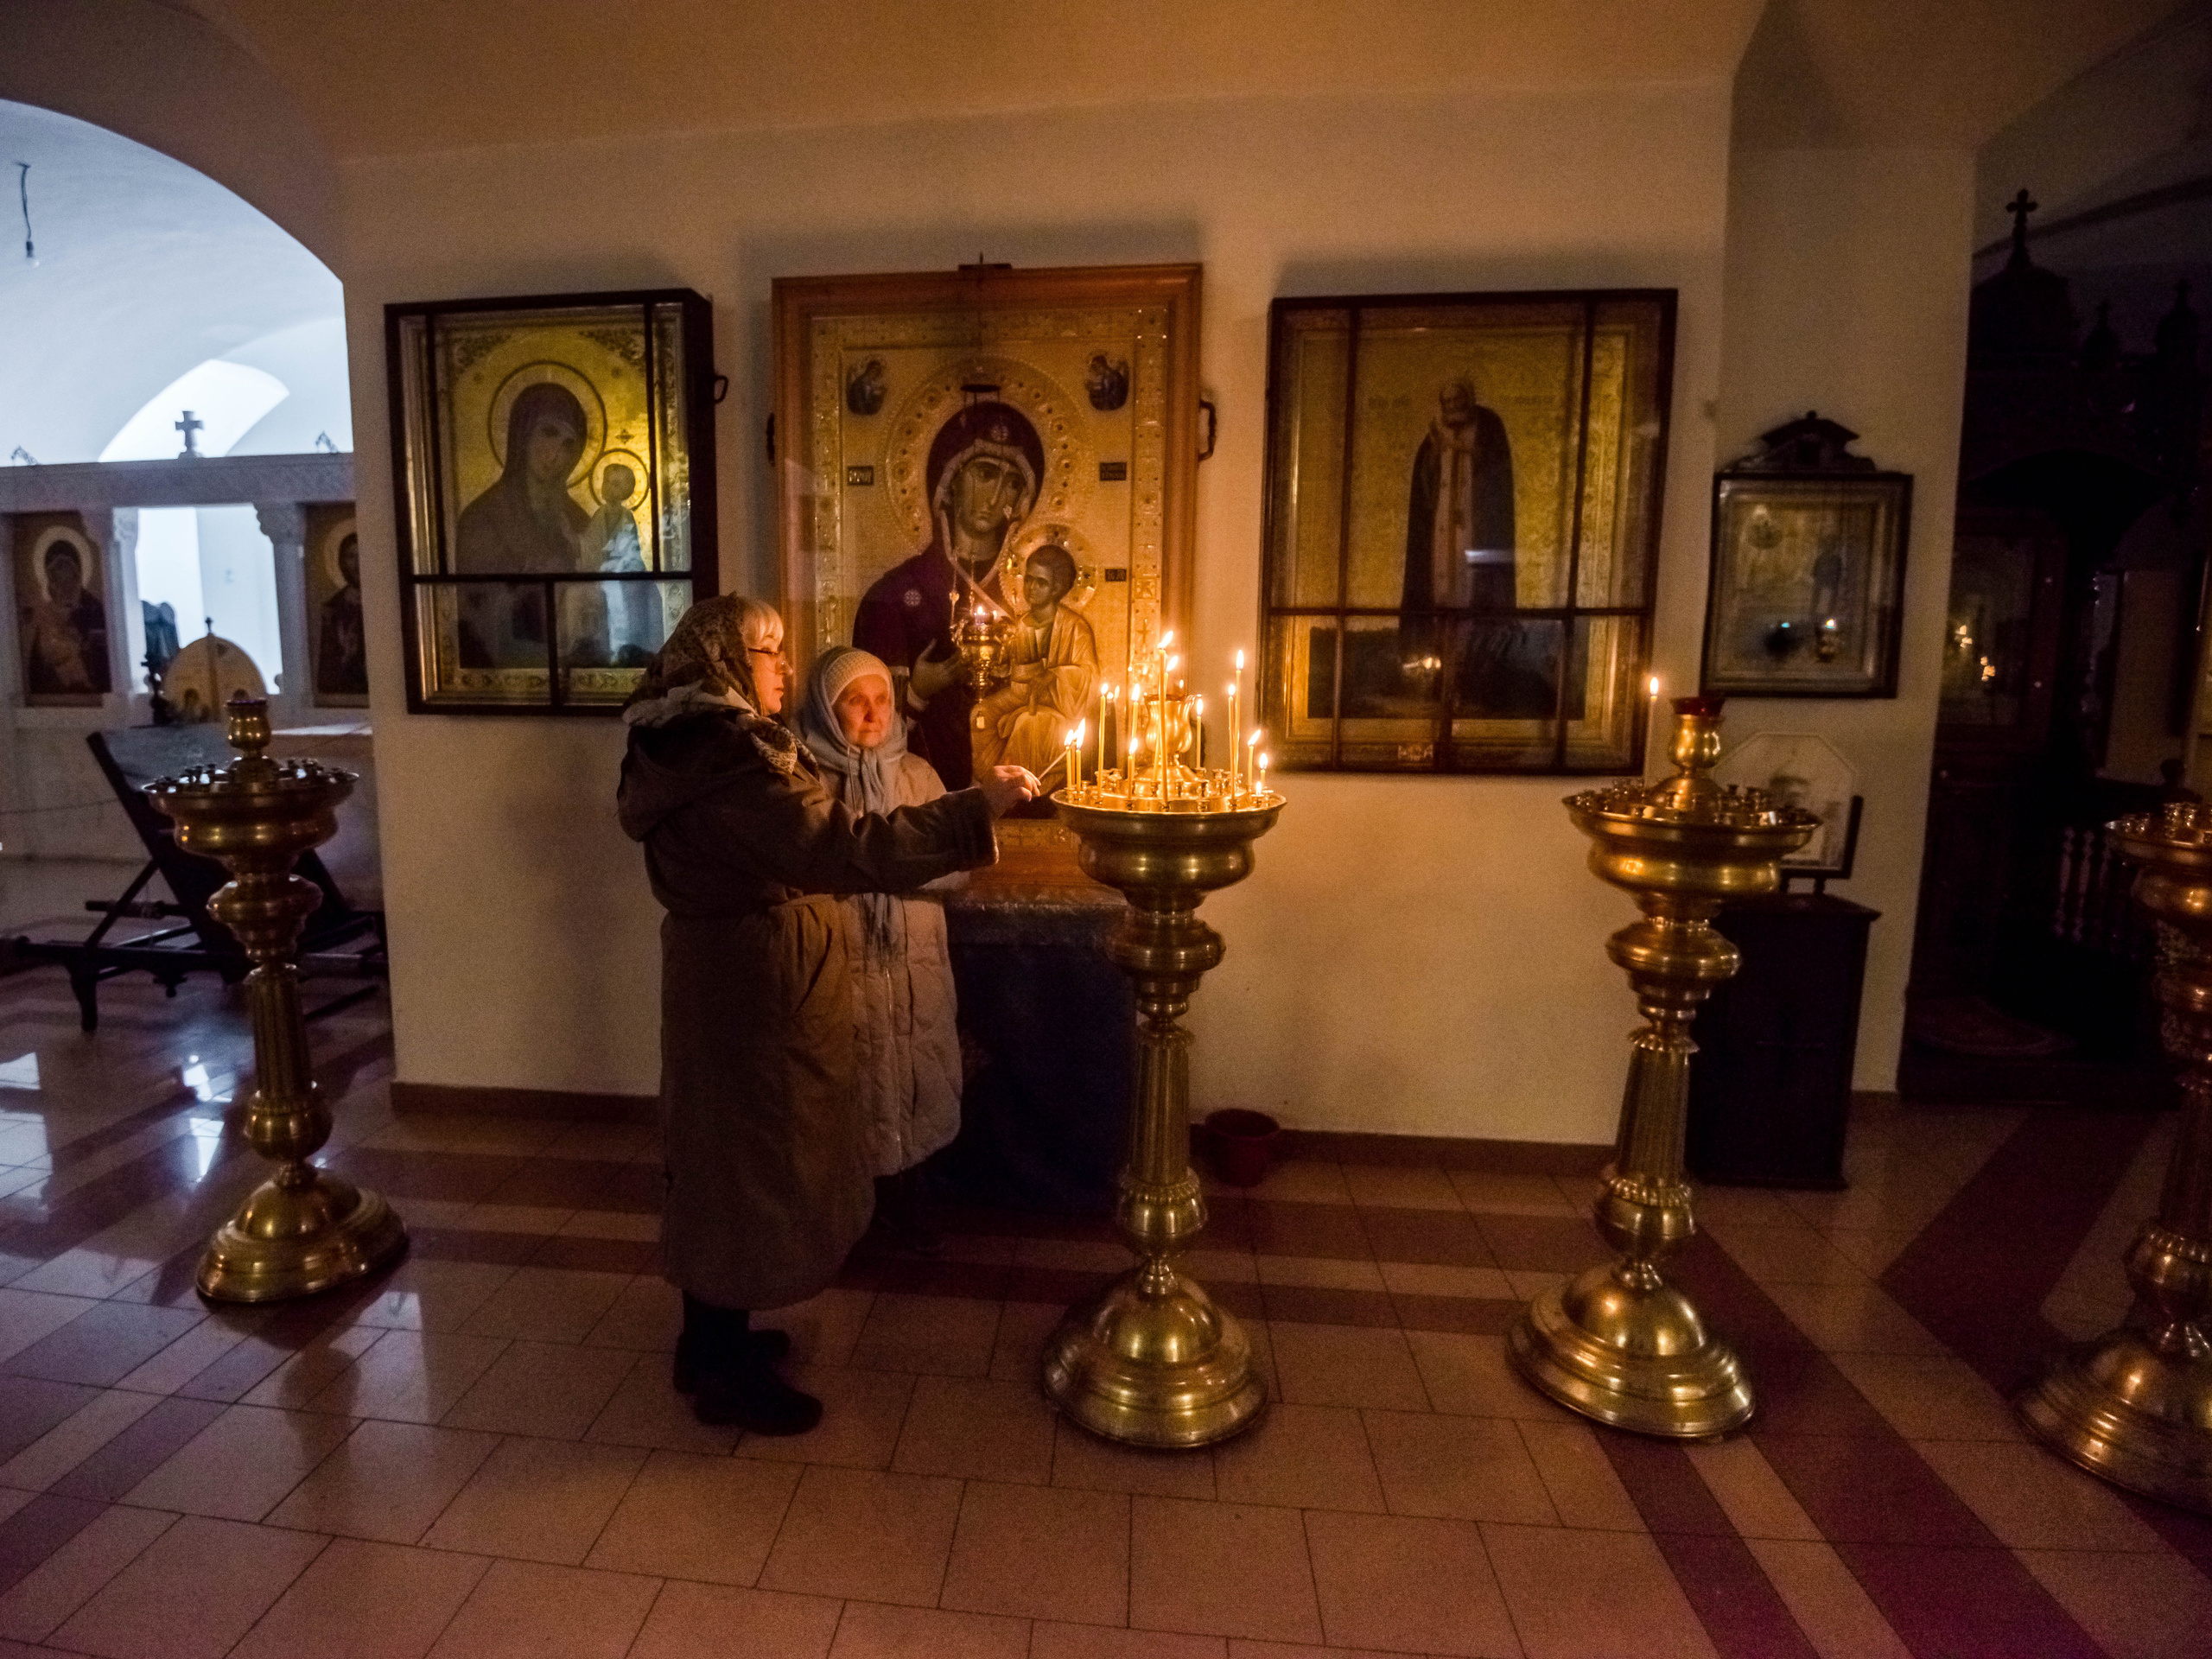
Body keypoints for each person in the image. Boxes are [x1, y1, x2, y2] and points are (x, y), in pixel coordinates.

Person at [617, 595, 1037, 1433]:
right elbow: (847, 848)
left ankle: (710, 1339)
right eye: (768, 655)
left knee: (720, 1155)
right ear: (729, 666)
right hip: (757, 982)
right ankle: (724, 1377)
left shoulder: (683, 746)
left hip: (725, 975)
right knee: (754, 1163)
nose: (779, 668)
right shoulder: (733, 759)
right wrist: (975, 810)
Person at [795, 645, 964, 1246]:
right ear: (823, 706)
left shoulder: (917, 775)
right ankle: (850, 1224)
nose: (873, 713)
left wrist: (881, 864)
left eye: (883, 700)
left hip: (910, 967)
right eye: (855, 701)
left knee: (914, 1081)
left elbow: (957, 864)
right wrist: (892, 859)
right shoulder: (802, 779)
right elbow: (804, 865)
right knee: (849, 1088)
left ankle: (910, 1212)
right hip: (842, 965)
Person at [853, 399, 1044, 788]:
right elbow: (863, 738)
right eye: (986, 474)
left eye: (1012, 483)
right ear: (950, 480)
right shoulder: (892, 596)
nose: (996, 496)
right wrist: (917, 692)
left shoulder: (1036, 595)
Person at [455, 380, 593, 668]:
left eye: (569, 444)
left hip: (573, 661)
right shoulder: (481, 518)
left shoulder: (578, 520)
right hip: (508, 666)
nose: (556, 454)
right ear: (522, 432)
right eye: (549, 432)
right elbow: (475, 613)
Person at [971, 543, 1097, 777]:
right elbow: (1007, 670)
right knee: (981, 714)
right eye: (1028, 580)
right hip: (1020, 696)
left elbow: (1089, 675)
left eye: (1041, 583)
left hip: (1058, 708)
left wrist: (1053, 675)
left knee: (1027, 724)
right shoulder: (1020, 624)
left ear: (1057, 588)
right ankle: (986, 782)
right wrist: (993, 660)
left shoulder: (1075, 628)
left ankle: (1016, 791)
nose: (1031, 588)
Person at [20, 539, 110, 696]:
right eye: (56, 579)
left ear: (77, 577)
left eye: (69, 579)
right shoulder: (46, 616)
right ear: (50, 582)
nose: (64, 586)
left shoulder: (93, 609)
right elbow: (38, 668)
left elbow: (102, 655)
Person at [316, 533, 367, 696]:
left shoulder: (385, 602)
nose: (357, 564)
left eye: (362, 555)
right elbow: (329, 669)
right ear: (341, 562)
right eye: (351, 557)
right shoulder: (332, 608)